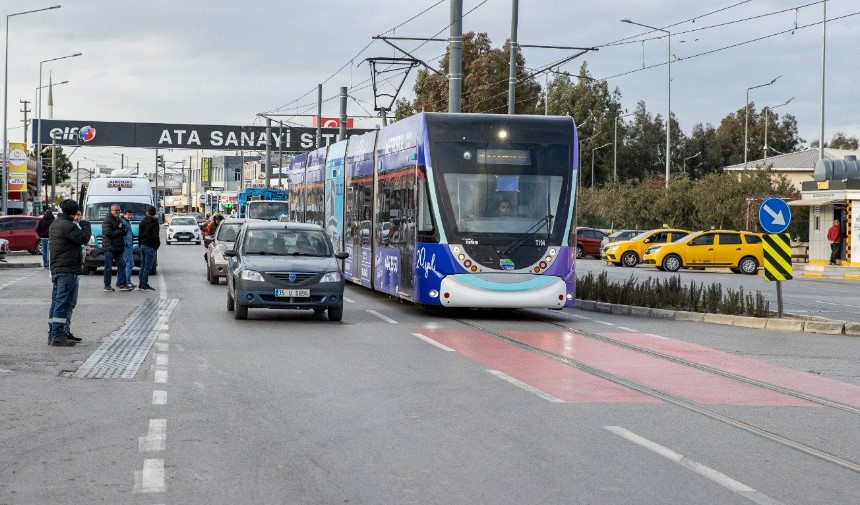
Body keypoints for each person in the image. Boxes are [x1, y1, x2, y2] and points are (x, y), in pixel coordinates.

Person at [47, 199, 91, 346]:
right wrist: (85, 224)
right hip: (67, 269)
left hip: (58, 268)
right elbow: (83, 238)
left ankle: (56, 332)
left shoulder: (56, 223)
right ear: (73, 212)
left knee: (57, 302)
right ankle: (58, 335)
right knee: (63, 303)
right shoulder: (67, 225)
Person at [102, 203, 129, 291]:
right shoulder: (107, 220)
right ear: (111, 210)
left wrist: (122, 230)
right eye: (115, 210)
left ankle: (122, 284)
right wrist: (119, 229)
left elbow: (124, 231)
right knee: (108, 267)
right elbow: (108, 233)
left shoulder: (119, 219)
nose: (117, 212)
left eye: (119, 210)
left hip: (119, 247)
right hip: (109, 247)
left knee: (122, 265)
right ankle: (107, 285)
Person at [138, 206, 160, 291]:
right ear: (155, 213)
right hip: (150, 246)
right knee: (148, 266)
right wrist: (156, 245)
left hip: (143, 245)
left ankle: (141, 283)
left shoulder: (143, 222)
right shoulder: (154, 222)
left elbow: (139, 234)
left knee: (142, 266)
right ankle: (144, 284)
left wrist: (140, 243)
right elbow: (155, 236)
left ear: (148, 212)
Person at [121, 209, 135, 289]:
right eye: (128, 214)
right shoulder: (124, 223)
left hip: (128, 245)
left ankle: (122, 281)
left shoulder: (127, 223)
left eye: (130, 215)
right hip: (126, 246)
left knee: (126, 264)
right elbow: (122, 234)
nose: (130, 216)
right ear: (124, 215)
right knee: (129, 263)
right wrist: (125, 242)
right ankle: (126, 282)